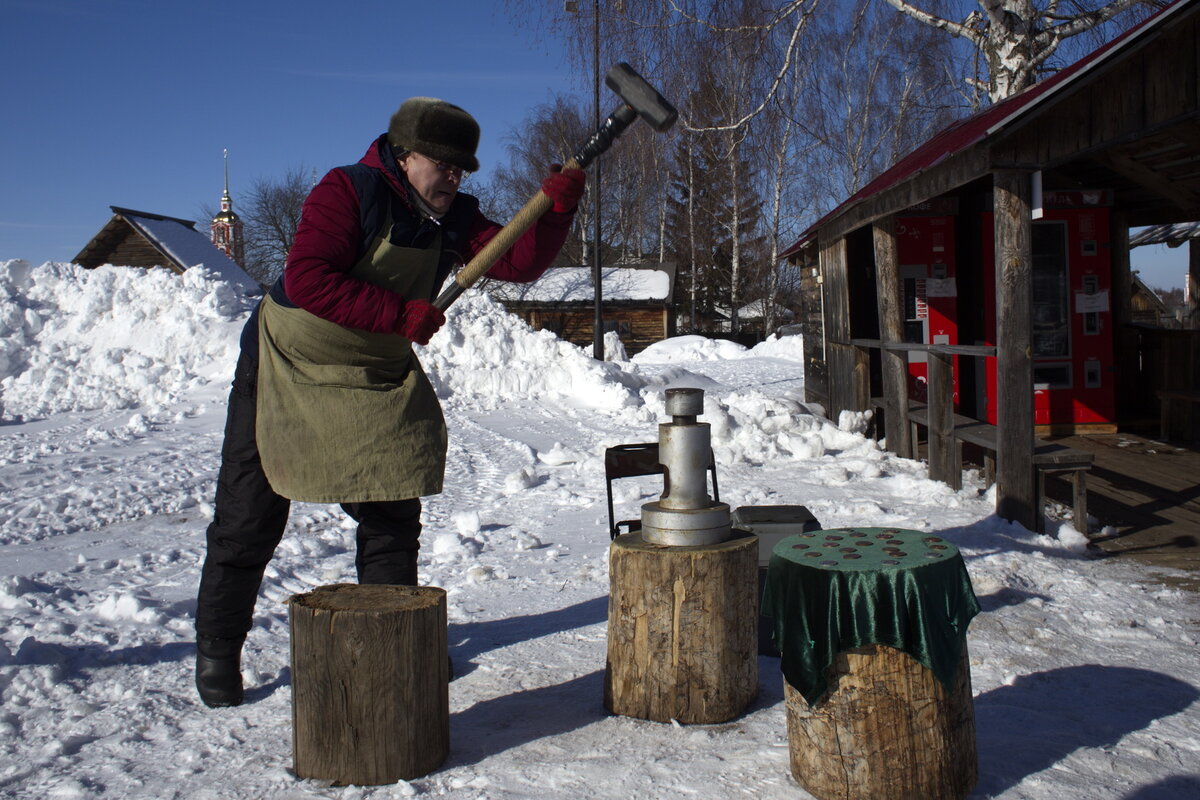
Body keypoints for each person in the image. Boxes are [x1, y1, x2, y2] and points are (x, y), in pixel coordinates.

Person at [194, 97, 585, 708]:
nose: (454, 179)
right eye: (443, 165)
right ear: (404, 157)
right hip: (288, 360)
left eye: (463, 170)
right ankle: (219, 647)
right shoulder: (347, 192)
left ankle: (393, 639)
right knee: (250, 513)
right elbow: (307, 278)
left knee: (391, 512)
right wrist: (401, 312)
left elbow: (517, 259)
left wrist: (557, 209)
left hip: (371, 367)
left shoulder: (454, 216)